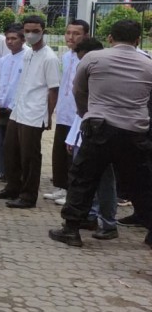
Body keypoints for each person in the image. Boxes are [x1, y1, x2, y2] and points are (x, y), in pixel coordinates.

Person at [49, 20, 152, 248]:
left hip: (99, 129)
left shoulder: (93, 59)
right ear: (137, 40)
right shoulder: (148, 64)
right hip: (134, 132)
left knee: (83, 179)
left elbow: (78, 90)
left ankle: (72, 230)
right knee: (141, 183)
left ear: (110, 38)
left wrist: (87, 113)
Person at [0, 15, 59, 209]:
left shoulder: (49, 58)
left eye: (35, 31)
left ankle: (28, 196)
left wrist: (48, 116)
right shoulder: (28, 54)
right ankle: (13, 187)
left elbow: (53, 90)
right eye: (27, 31)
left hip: (35, 114)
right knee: (10, 150)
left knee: (30, 157)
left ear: (43, 31)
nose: (30, 35)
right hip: (18, 110)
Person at [58, 39, 118, 241]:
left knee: (103, 180)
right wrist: (73, 136)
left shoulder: (99, 71)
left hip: (101, 130)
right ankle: (90, 216)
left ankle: (108, 223)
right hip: (88, 129)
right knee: (85, 177)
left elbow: (82, 102)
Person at [45, 19, 89, 203]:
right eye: (68, 32)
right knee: (60, 152)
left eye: (76, 33)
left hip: (78, 114)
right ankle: (61, 186)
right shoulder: (65, 56)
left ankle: (73, 190)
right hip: (64, 111)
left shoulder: (87, 58)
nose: (71, 37)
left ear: (85, 35)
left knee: (75, 153)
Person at [0, 25, 26, 182]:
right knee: (2, 143)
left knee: (16, 144)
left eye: (14, 38)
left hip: (18, 108)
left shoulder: (28, 58)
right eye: (8, 38)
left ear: (23, 39)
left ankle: (15, 175)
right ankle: (2, 172)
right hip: (2, 107)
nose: (10, 42)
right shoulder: (4, 60)